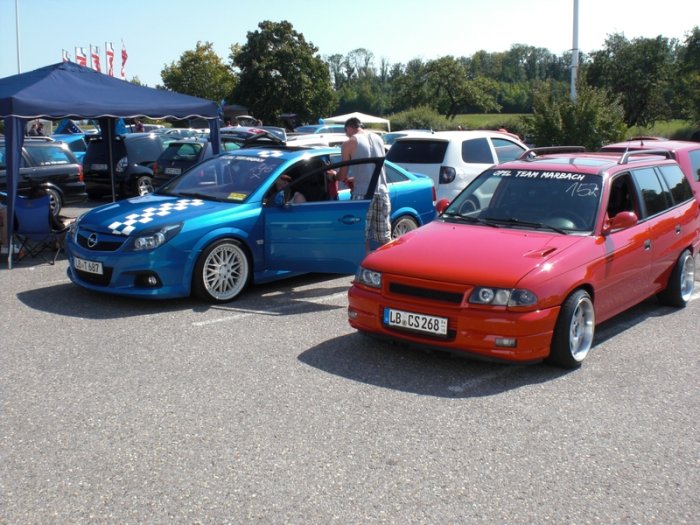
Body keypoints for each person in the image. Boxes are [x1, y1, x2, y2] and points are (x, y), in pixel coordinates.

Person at [336, 117, 391, 252]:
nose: (347, 135)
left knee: (361, 237)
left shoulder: (349, 143)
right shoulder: (378, 139)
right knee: (384, 237)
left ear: (349, 128)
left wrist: (333, 176)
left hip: (362, 194)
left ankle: (364, 269)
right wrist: (355, 178)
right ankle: (389, 266)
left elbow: (342, 175)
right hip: (382, 192)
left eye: (346, 132)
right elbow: (372, 168)